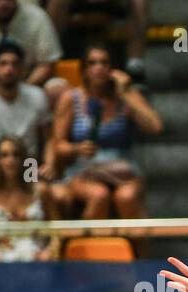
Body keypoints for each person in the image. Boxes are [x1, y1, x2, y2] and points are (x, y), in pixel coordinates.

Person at [47, 42, 162, 220]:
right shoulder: (71, 98)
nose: (98, 68)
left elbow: (155, 127)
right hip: (84, 169)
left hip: (122, 168)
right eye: (92, 63)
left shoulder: (127, 95)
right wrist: (76, 149)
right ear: (84, 70)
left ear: (112, 69)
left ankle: (136, 248)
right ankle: (90, 247)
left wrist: (124, 92)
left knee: (127, 197)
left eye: (104, 63)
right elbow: (57, 145)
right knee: (98, 195)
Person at [0, 39, 53, 180]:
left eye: (14, 64)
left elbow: (49, 139)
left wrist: (49, 163)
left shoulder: (37, 96)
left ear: (22, 68)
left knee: (41, 193)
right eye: (3, 64)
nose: (9, 69)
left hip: (29, 162)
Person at [0, 135, 56, 262]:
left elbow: (59, 229)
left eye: (16, 154)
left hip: (38, 262)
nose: (10, 160)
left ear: (23, 159)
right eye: (4, 155)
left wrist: (50, 251)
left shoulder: (41, 191)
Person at [0, 0, 60, 89]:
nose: (3, 3)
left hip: (30, 83)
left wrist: (25, 89)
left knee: (56, 89)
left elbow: (47, 63)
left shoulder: (37, 16)